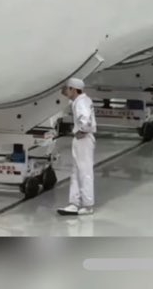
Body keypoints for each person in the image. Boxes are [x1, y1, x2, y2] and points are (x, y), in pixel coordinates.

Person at [59, 78, 98, 216]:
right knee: (76, 172)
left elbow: (86, 121)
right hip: (81, 140)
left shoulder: (81, 102)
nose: (65, 91)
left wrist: (82, 131)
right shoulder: (81, 100)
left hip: (84, 140)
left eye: (67, 88)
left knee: (85, 172)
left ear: (74, 89)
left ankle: (88, 205)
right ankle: (74, 204)